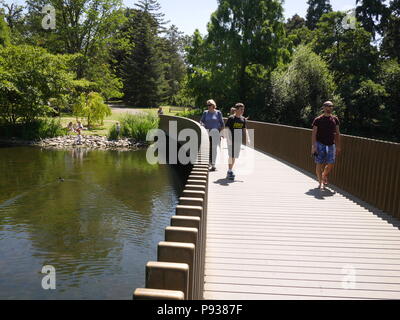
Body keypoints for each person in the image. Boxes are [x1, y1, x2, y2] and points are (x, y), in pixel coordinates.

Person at [311, 101, 341, 190]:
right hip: (320, 143)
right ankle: (320, 182)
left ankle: (324, 175)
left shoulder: (335, 119)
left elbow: (337, 133)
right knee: (319, 163)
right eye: (327, 106)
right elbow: (314, 134)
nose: (329, 108)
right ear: (323, 108)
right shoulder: (318, 120)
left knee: (331, 163)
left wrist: (338, 146)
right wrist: (314, 146)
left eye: (331, 106)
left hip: (331, 144)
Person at [224, 103, 250, 180]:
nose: (243, 110)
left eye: (243, 109)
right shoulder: (231, 118)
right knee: (231, 155)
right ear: (237, 109)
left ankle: (230, 170)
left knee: (234, 156)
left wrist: (248, 138)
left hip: (238, 140)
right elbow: (227, 128)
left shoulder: (243, 119)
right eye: (241, 109)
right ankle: (229, 171)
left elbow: (245, 129)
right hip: (231, 140)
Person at [200, 99, 225, 171]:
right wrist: (202, 124)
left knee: (214, 149)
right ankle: (209, 163)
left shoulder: (218, 113)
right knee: (208, 148)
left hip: (216, 133)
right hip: (207, 133)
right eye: (207, 105)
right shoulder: (205, 113)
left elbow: (222, 124)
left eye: (209, 105)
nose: (208, 106)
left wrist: (221, 133)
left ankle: (213, 164)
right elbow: (201, 121)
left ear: (213, 105)